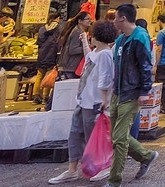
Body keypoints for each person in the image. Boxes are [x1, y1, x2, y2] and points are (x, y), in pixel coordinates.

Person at [47, 21, 117, 184]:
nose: (91, 36)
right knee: (75, 134)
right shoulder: (97, 52)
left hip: (95, 102)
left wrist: (105, 100)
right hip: (84, 100)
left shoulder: (105, 54)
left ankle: (104, 166)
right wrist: (84, 41)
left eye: (92, 34)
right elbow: (88, 58)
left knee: (94, 136)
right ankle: (72, 170)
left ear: (97, 35)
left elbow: (106, 77)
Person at [106, 4, 159, 187]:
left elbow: (145, 65)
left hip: (131, 93)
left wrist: (144, 91)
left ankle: (114, 180)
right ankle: (146, 156)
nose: (113, 21)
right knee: (116, 136)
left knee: (120, 139)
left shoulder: (140, 37)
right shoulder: (121, 40)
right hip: (118, 92)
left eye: (115, 18)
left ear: (123, 18)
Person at [34, 13, 63, 104]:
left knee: (40, 75)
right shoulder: (58, 28)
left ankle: (36, 96)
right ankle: (45, 97)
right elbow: (59, 41)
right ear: (57, 18)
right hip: (52, 53)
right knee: (49, 74)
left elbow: (38, 42)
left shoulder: (42, 28)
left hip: (42, 53)